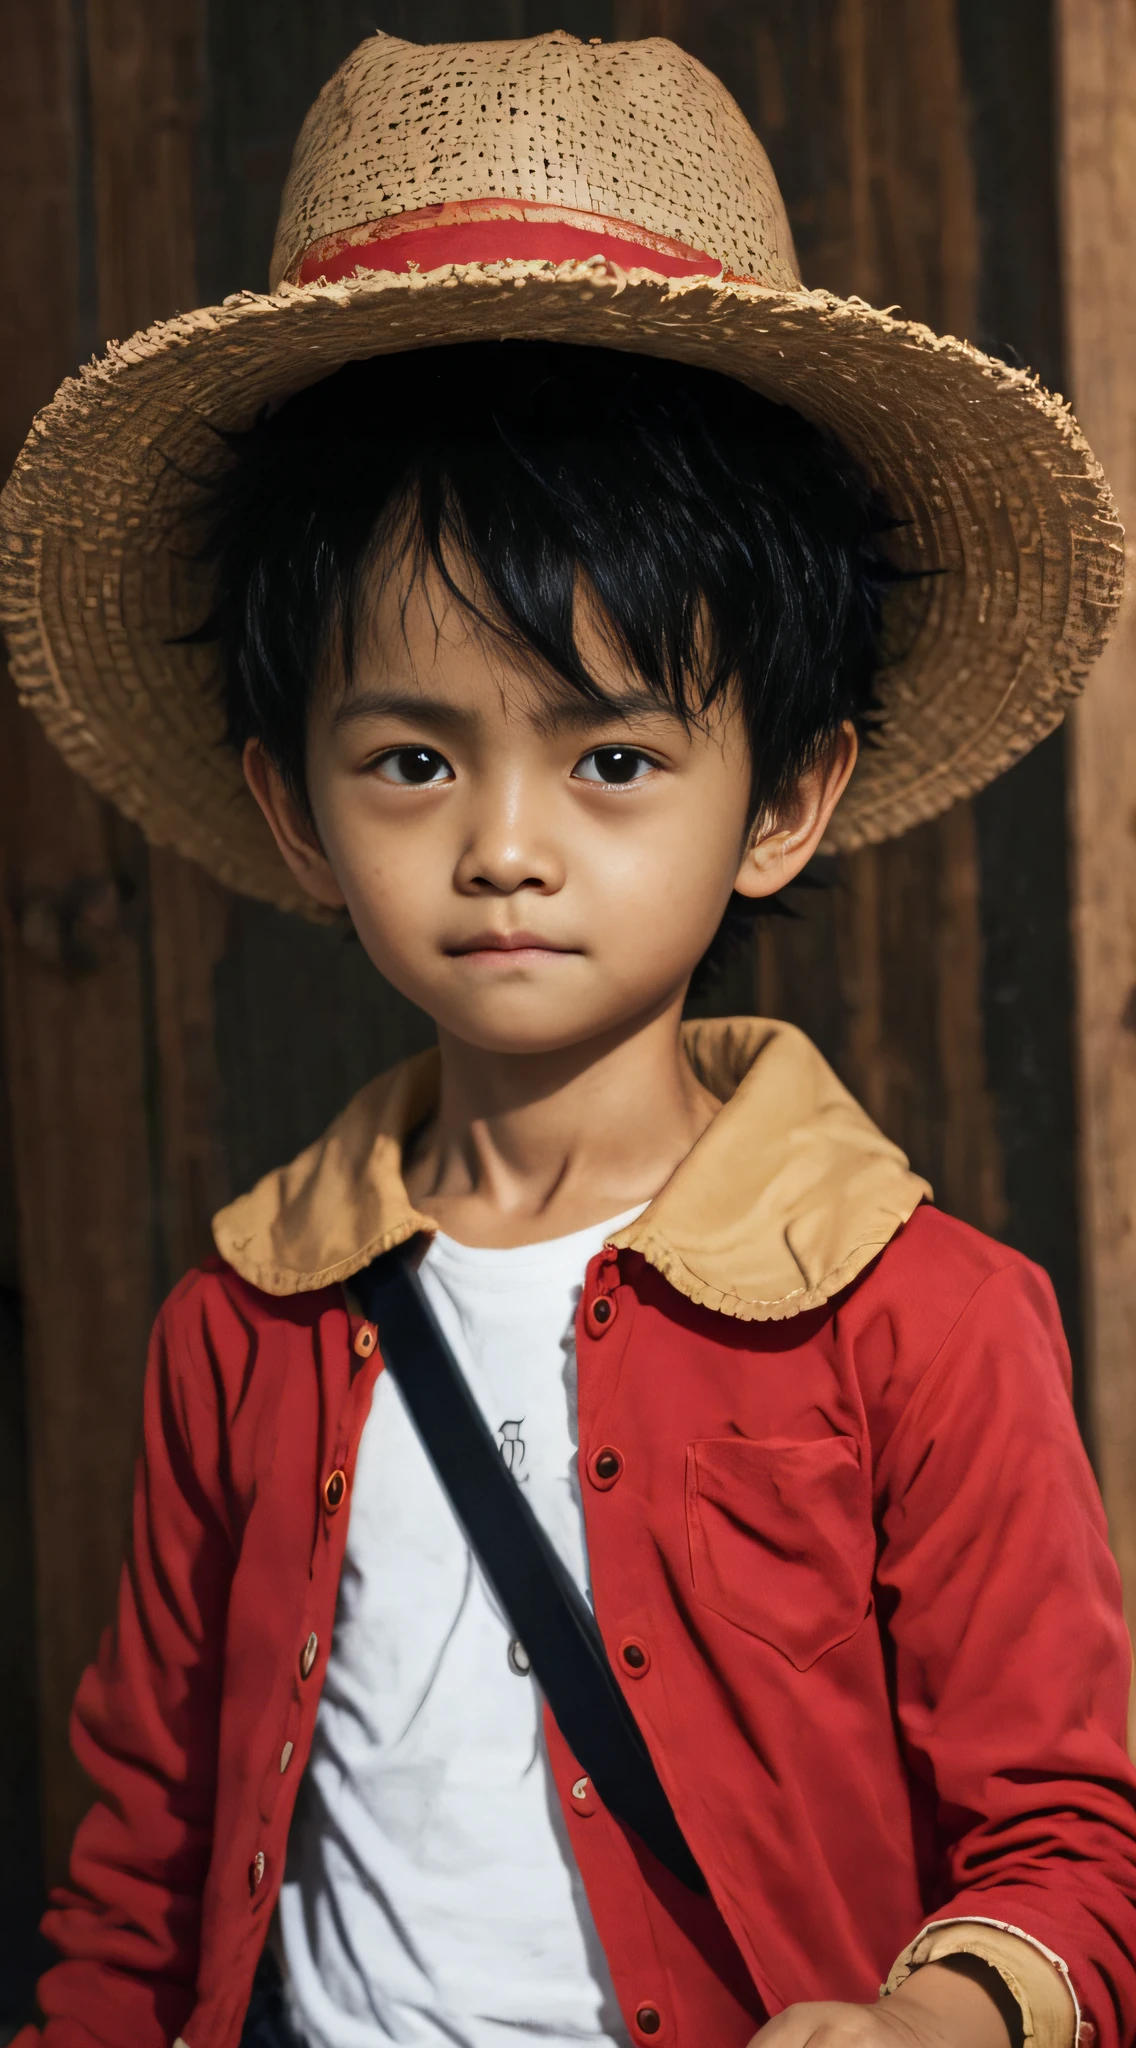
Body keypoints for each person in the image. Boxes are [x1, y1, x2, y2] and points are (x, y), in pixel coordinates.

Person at [1, 27, 1133, 2048]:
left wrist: (939, 2022)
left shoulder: (923, 1319)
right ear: (294, 806)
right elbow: (138, 1862)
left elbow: (1066, 1845)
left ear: (779, 796)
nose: (507, 847)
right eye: (415, 756)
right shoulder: (241, 1323)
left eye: (614, 753)